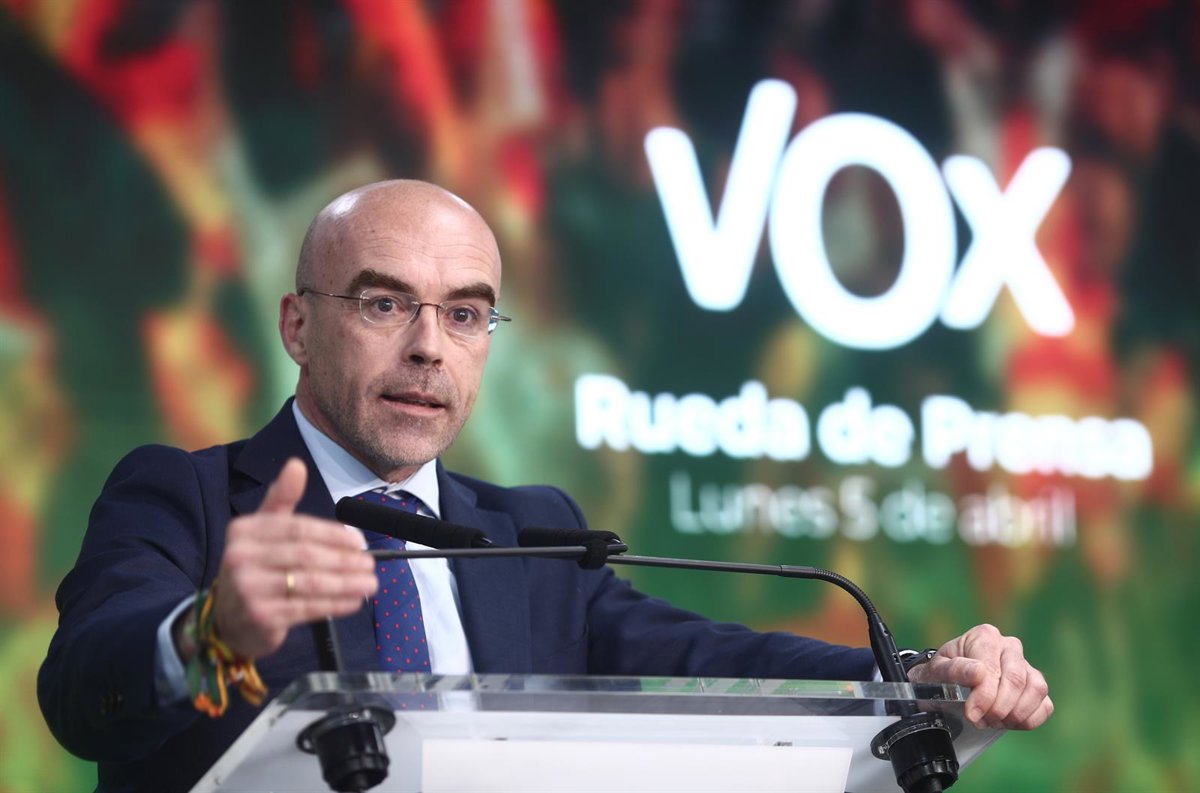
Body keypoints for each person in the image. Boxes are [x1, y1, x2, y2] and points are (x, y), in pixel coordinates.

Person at [39, 180, 1052, 792]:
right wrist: (208, 631)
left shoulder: (530, 532)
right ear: (298, 325)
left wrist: (916, 677)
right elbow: (83, 693)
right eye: (385, 303)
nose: (429, 347)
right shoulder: (187, 497)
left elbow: (705, 653)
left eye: (465, 313)